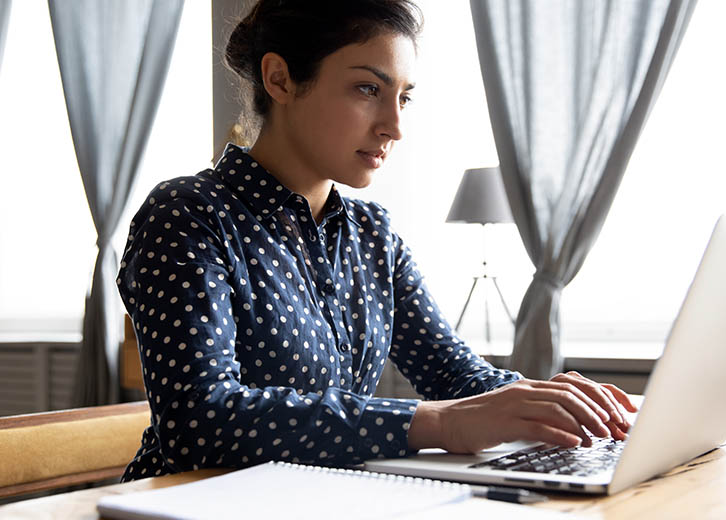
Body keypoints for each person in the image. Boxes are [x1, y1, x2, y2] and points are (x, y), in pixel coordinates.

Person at [116, 0, 636, 482]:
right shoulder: (188, 214)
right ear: (280, 79)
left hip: (321, 501)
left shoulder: (373, 235)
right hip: (184, 504)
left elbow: (453, 374)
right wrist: (436, 423)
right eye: (369, 89)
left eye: (403, 98)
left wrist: (557, 402)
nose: (395, 126)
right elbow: (199, 422)